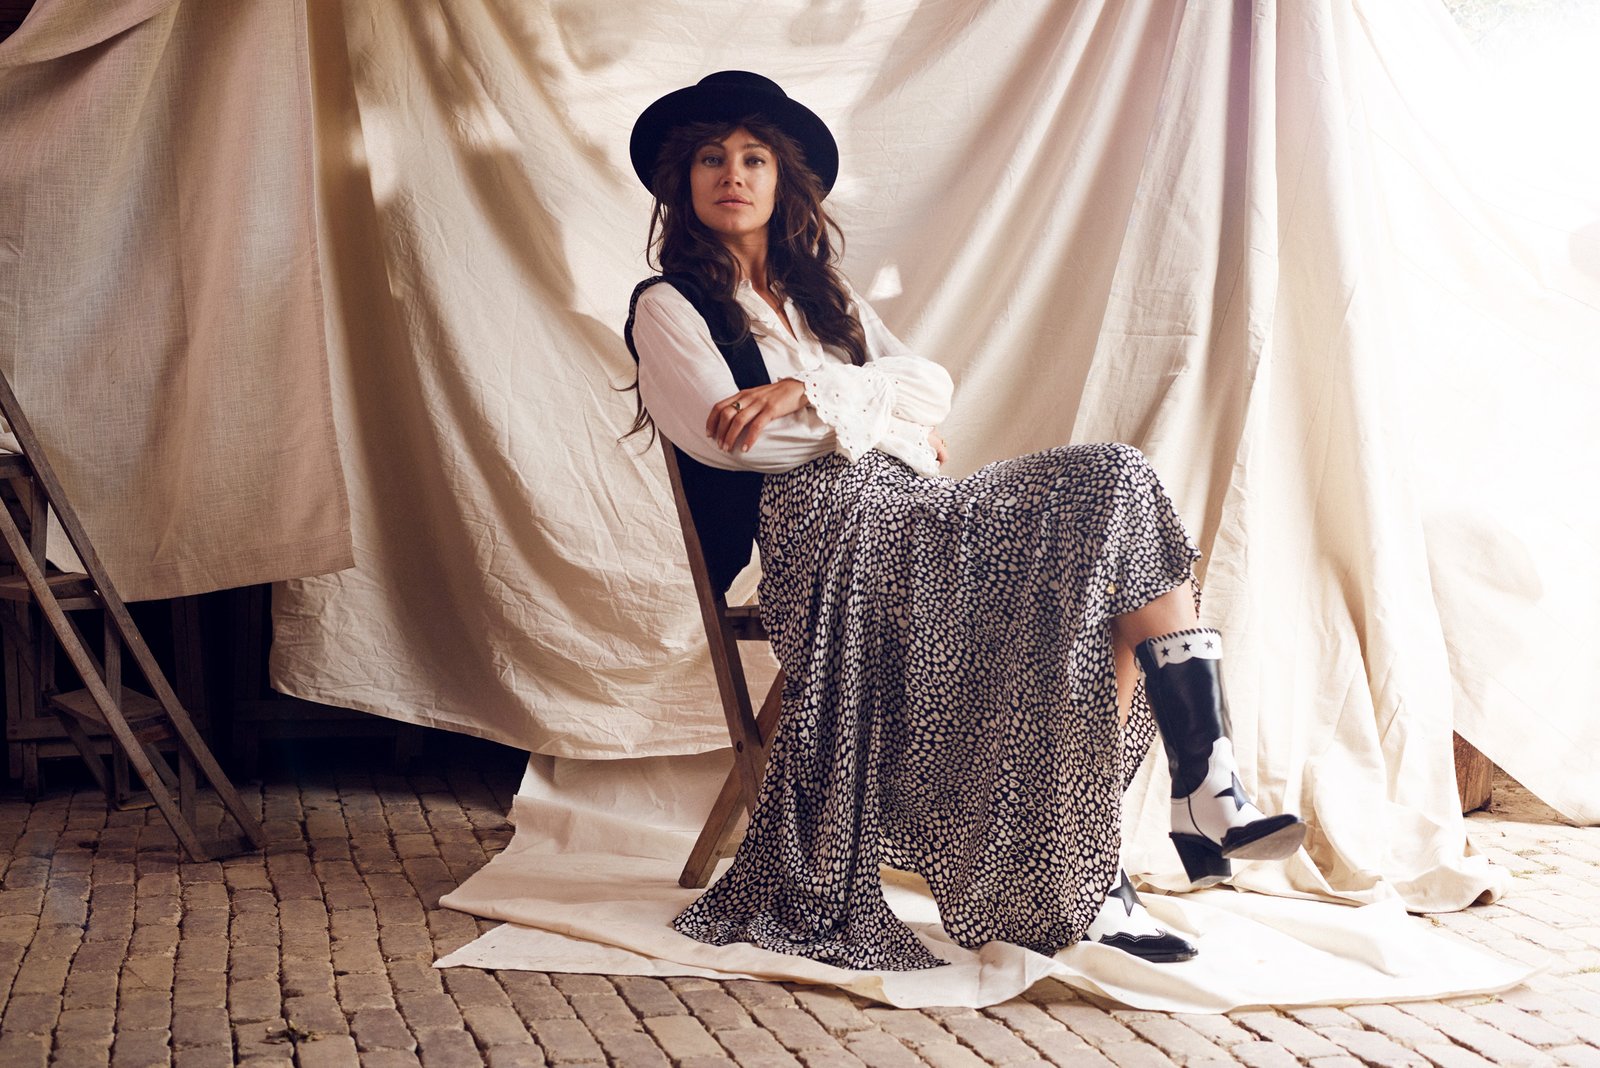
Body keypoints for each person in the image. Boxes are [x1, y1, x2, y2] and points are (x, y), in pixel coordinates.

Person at [622, 71, 1304, 971]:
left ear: (782, 181)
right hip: (829, 540)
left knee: (1116, 479)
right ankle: (1103, 871)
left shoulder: (824, 298)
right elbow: (740, 445)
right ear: (684, 180)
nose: (733, 175)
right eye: (712, 159)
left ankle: (1203, 780)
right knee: (1081, 585)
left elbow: (933, 386)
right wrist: (871, 413)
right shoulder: (669, 305)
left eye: (754, 159)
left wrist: (807, 389)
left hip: (919, 519)